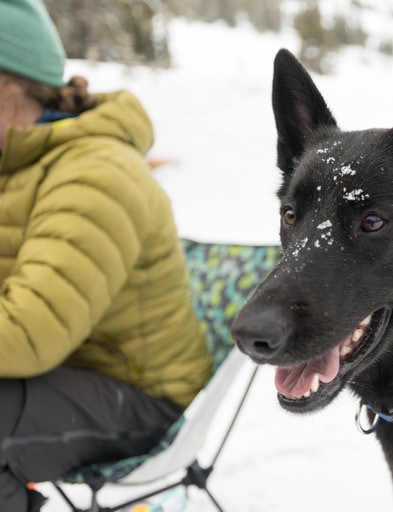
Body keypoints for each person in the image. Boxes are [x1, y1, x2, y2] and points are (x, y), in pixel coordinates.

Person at [0, 1, 212, 510]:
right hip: (65, 370)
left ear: (9, 90)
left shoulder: (95, 173)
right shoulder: (19, 159)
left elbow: (30, 334)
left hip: (138, 394)